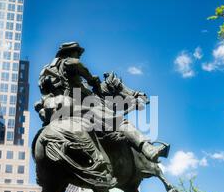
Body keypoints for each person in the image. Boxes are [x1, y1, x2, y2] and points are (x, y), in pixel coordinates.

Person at [35, 42, 169, 163]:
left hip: (59, 108)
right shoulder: (69, 62)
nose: (79, 56)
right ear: (70, 52)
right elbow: (77, 64)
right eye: (77, 53)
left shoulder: (47, 70)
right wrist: (92, 79)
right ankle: (148, 149)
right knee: (119, 122)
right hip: (80, 102)